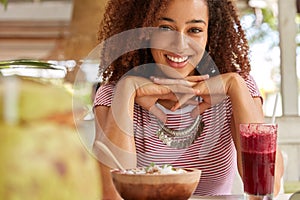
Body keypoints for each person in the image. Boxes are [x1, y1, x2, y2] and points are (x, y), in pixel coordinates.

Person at [93, 0, 284, 199]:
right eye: (166, 28)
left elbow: (267, 188)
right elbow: (111, 195)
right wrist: (127, 90)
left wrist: (235, 85)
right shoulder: (114, 94)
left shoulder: (237, 88)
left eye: (194, 30)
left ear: (211, 33)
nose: (180, 45)